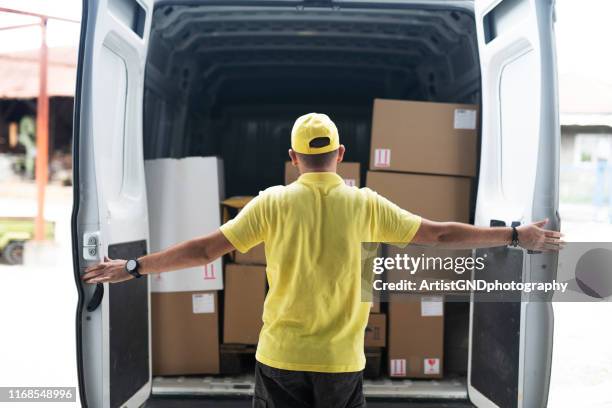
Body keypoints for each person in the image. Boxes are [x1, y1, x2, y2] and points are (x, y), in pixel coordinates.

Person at [82, 113, 563, 408]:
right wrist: (517, 235)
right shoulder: (365, 204)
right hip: (340, 361)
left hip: (280, 359)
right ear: (340, 154)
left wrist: (131, 267)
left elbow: (205, 250)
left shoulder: (272, 202)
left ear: (293, 157)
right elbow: (438, 233)